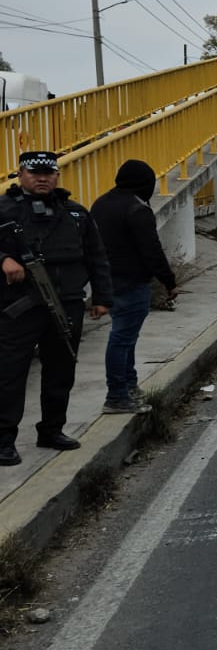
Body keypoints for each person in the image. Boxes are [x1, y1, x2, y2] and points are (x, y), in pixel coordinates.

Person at [0, 151, 113, 465]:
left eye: (48, 173)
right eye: (34, 172)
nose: (42, 178)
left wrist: (103, 297)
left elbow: (96, 257)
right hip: (18, 306)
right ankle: (4, 439)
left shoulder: (75, 213)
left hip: (67, 304)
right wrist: (4, 260)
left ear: (56, 176)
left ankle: (51, 430)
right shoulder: (4, 209)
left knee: (61, 370)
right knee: (10, 374)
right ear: (20, 174)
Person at [90, 159, 181, 415]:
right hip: (132, 282)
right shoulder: (137, 209)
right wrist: (169, 282)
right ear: (146, 184)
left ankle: (129, 386)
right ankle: (117, 395)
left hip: (107, 282)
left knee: (124, 336)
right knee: (122, 339)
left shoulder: (100, 204)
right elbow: (152, 250)